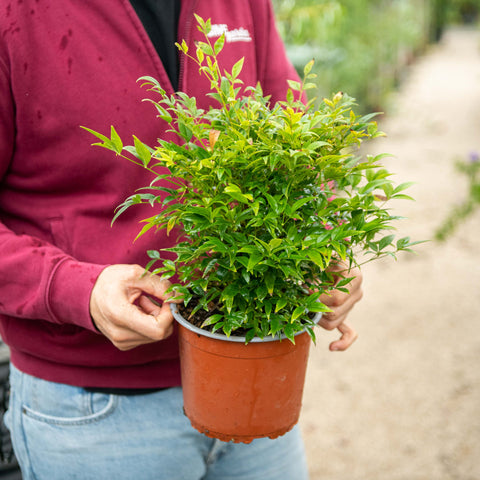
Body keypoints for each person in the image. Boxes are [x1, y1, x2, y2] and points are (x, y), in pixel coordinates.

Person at [0, 1, 362, 479]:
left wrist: (326, 244)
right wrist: (77, 290)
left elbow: (296, 140)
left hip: (256, 378)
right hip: (94, 410)